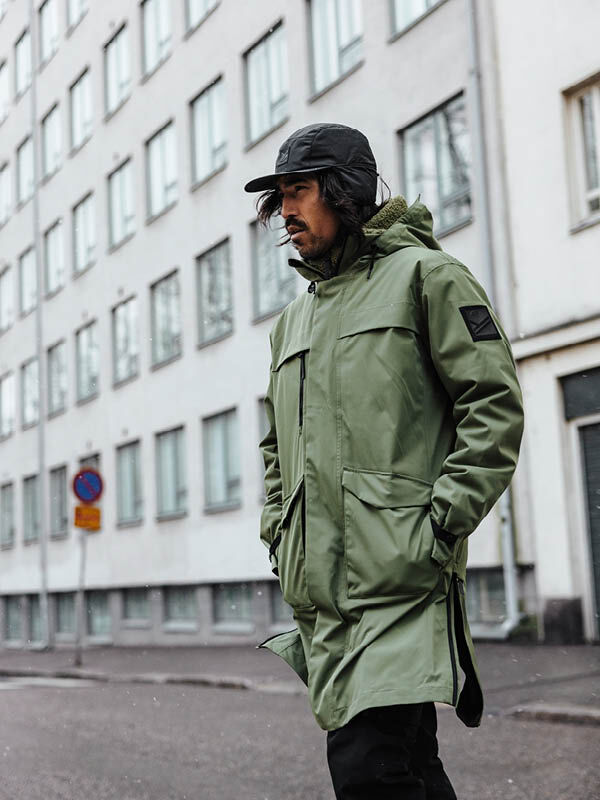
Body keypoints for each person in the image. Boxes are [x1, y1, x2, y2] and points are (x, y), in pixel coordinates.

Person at [246, 122, 524, 799]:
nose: (286, 211)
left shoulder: (428, 279)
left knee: (369, 769)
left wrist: (437, 526)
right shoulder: (293, 321)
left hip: (400, 580)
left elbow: (493, 406)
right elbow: (276, 445)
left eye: (300, 191)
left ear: (344, 193)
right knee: (405, 769)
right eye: (280, 196)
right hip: (325, 595)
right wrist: (279, 530)